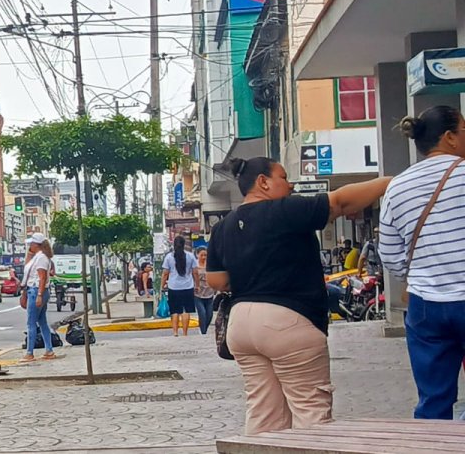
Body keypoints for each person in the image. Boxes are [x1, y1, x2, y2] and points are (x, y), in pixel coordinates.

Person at [208, 156, 390, 435]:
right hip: (288, 320)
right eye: (283, 177)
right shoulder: (285, 210)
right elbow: (339, 202)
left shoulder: (223, 226)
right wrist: (389, 182)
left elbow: (217, 280)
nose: (290, 185)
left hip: (241, 325)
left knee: (263, 412)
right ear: (263, 182)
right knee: (310, 410)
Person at [379, 105, 465, 420]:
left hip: (425, 306)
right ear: (449, 138)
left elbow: (388, 252)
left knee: (433, 399)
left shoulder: (397, 186)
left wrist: (419, 275)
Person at [20, 233, 55, 361]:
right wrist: (29, 253)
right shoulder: (39, 257)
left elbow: (42, 277)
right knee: (42, 322)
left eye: (31, 244)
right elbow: (27, 267)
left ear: (36, 245)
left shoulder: (41, 258)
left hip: (36, 291)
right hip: (36, 291)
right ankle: (49, 350)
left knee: (31, 323)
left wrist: (39, 295)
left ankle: (29, 353)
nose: (29, 246)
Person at [161, 235, 198, 337]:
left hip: (173, 287)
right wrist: (197, 285)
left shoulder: (169, 257)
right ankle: (185, 333)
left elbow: (165, 273)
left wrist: (162, 285)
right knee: (186, 310)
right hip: (188, 287)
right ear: (184, 244)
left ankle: (175, 332)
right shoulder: (190, 256)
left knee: (175, 311)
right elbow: (195, 272)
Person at [194, 247, 216, 335]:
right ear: (197, 255)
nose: (203, 257)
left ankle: (204, 329)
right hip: (198, 294)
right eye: (201, 255)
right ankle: (203, 332)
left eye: (205, 255)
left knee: (209, 315)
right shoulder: (194, 265)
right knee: (202, 313)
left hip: (209, 293)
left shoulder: (211, 265)